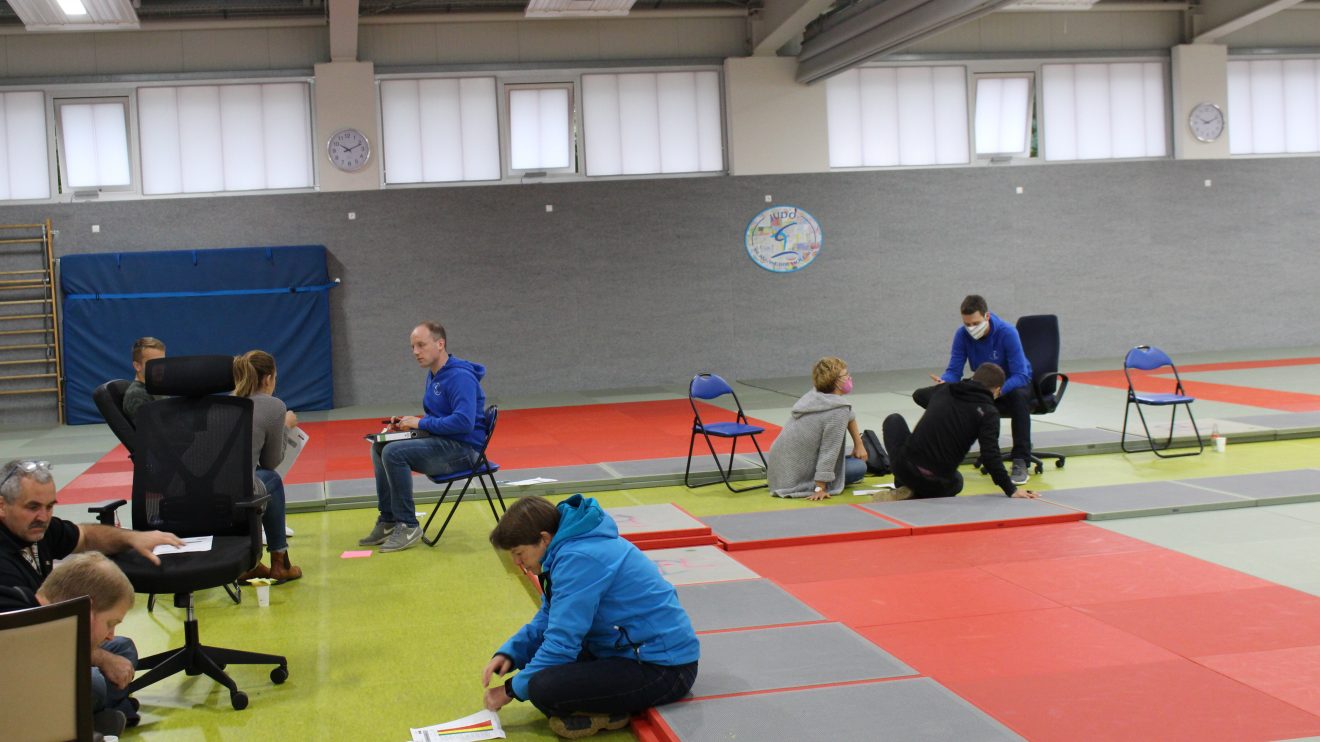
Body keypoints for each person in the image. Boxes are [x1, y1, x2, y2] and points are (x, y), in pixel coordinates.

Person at [481, 495, 699, 740]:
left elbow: (562, 644)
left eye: (519, 553)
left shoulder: (578, 558)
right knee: (539, 666)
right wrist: (511, 652)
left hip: (664, 669)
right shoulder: (566, 549)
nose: (518, 563)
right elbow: (549, 617)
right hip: (625, 651)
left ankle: (607, 711)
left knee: (542, 688)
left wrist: (510, 690)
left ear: (544, 538)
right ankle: (603, 705)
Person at [0, 460, 182, 732]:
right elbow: (28, 645)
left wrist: (132, 538)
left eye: (50, 506)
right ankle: (95, 717)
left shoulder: (37, 530)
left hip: (51, 644)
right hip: (19, 663)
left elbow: (85, 536)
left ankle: (94, 716)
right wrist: (100, 658)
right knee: (96, 681)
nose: (44, 516)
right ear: (2, 505)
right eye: (33, 507)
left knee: (123, 647)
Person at [358, 321, 489, 553]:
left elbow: (464, 422)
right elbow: (439, 418)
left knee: (394, 452)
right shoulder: (435, 374)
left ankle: (408, 525)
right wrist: (411, 426)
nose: (415, 352)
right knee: (380, 446)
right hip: (445, 443)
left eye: (421, 345)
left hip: (464, 451)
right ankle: (388, 519)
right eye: (412, 347)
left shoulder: (459, 377)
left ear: (440, 344)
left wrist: (420, 423)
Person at [0, 552, 138, 736]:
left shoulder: (37, 609)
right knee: (94, 684)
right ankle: (89, 723)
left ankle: (92, 720)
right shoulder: (20, 627)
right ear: (87, 611)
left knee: (122, 648)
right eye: (110, 624)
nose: (110, 635)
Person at [883, 363, 1039, 501]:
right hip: (935, 483)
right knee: (957, 481)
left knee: (893, 420)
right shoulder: (989, 413)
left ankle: (904, 484)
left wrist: (943, 396)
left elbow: (919, 395)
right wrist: (1011, 489)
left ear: (973, 379)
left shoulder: (945, 389)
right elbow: (990, 455)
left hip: (905, 470)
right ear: (997, 390)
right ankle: (918, 492)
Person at [929, 294, 1034, 485]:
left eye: (975, 323)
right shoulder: (962, 335)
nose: (971, 329)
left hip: (1013, 384)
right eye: (967, 324)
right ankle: (942, 458)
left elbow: (1021, 374)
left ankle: (1021, 460)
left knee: (1019, 398)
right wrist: (945, 382)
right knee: (948, 395)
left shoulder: (1007, 332)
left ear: (987, 316)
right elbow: (954, 370)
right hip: (984, 385)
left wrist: (998, 391)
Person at [232, 350, 302, 584]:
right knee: (271, 479)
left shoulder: (225, 403)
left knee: (260, 478)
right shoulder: (274, 406)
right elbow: (271, 461)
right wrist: (285, 426)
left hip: (206, 494)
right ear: (269, 378)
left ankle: (251, 563)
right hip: (238, 493)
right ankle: (280, 562)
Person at [767, 356, 868, 500]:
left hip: (778, 475)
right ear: (836, 381)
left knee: (847, 460)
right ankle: (816, 482)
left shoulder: (815, 396)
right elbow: (829, 452)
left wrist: (859, 444)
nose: (849, 378)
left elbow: (849, 414)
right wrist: (820, 488)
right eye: (846, 375)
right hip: (794, 481)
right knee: (859, 468)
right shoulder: (837, 412)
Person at [122, 336, 166, 423]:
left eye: (162, 361)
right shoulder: (137, 395)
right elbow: (150, 431)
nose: (161, 367)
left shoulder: (156, 388)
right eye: (154, 362)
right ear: (137, 366)